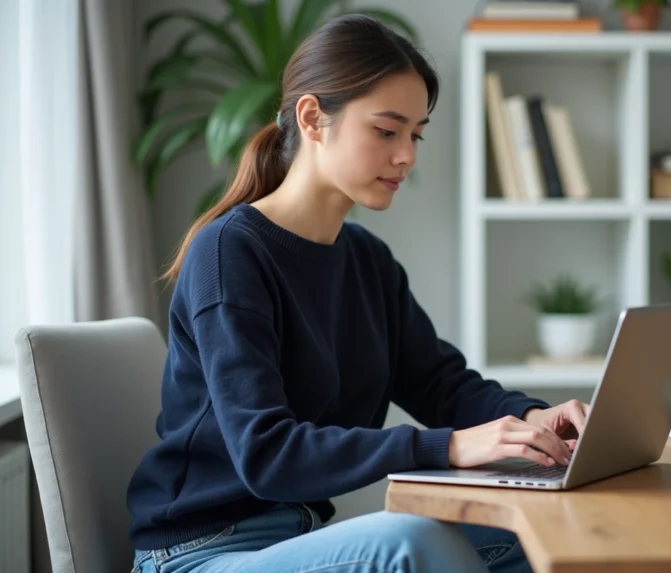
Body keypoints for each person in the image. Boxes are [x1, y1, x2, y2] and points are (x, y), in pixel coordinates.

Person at [126, 13, 590, 573]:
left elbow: (440, 383)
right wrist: (448, 447)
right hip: (199, 552)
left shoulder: (366, 260)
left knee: (533, 529)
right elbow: (265, 452)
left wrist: (534, 419)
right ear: (313, 118)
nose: (407, 156)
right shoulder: (229, 254)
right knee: (412, 545)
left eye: (415, 134)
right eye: (386, 131)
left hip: (295, 540)